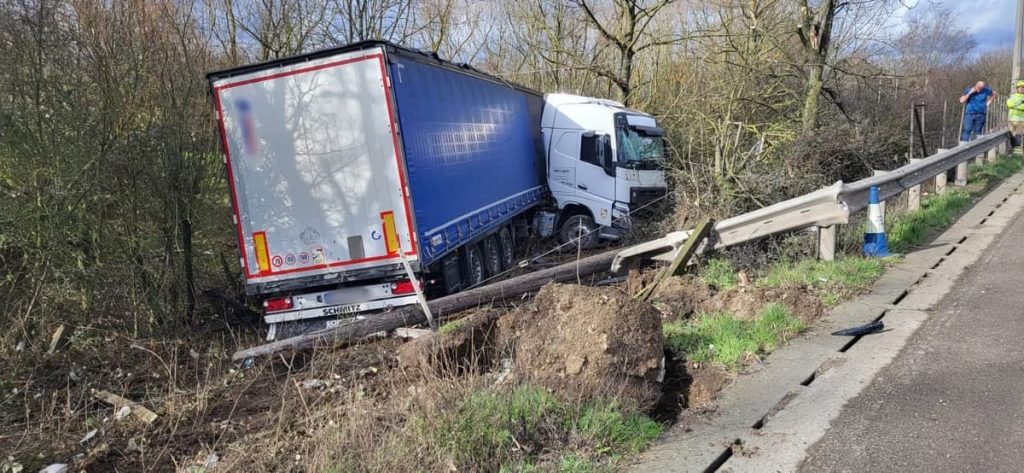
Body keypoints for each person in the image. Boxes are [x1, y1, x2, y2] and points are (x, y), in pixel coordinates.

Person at [1006, 80, 1024, 153]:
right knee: (1012, 136)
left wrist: (1015, 106)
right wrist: (1019, 105)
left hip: (1021, 120)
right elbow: (1009, 104)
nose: (1022, 89)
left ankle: (1017, 153)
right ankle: (1013, 150)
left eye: (1023, 87)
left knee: (1018, 135)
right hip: (1011, 119)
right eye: (1020, 87)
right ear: (1017, 88)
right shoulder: (1013, 96)